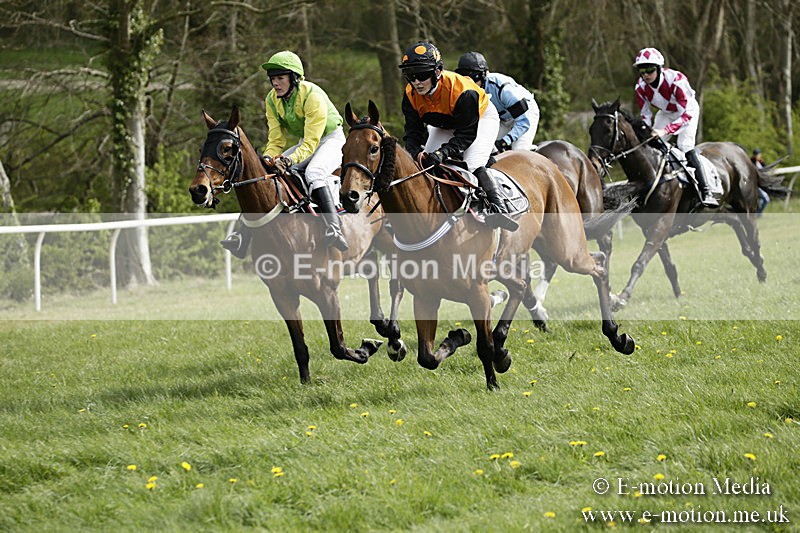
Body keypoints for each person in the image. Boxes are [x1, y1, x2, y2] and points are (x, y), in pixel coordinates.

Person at [221, 50, 348, 258]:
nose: (275, 83)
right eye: (272, 79)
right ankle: (242, 235)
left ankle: (334, 228)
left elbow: (312, 141)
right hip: (306, 142)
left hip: (331, 140)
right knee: (264, 173)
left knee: (314, 173)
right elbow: (276, 139)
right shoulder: (272, 99)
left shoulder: (312, 96)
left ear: (294, 78)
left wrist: (289, 160)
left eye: (280, 78)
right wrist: (269, 157)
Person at [398, 41, 518, 231]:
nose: (416, 82)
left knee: (472, 164)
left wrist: (443, 153)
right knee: (423, 166)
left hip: (480, 118)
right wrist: (415, 153)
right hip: (445, 122)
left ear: (437, 72)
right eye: (410, 76)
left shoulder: (463, 91)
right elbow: (413, 132)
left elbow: (466, 135)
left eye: (421, 75)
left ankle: (499, 208)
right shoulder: (410, 94)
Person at [633, 47, 719, 207]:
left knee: (684, 145)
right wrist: (647, 132)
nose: (646, 75)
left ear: (659, 68)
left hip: (687, 112)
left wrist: (665, 131)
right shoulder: (640, 87)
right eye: (642, 71)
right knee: (651, 145)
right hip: (666, 113)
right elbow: (645, 114)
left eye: (650, 70)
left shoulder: (676, 80)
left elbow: (686, 114)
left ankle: (706, 190)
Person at [455, 51, 539, 153]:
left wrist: (505, 141)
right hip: (503, 119)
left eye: (474, 79)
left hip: (526, 114)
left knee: (518, 150)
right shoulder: (466, 91)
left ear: (483, 75)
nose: (471, 85)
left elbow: (523, 121)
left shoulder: (502, 88)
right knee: (484, 144)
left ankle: (528, 149)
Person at [751, 148, 770, 215]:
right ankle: (758, 214)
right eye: (756, 154)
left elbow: (766, 169)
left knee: (762, 200)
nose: (757, 156)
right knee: (765, 199)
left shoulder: (761, 161)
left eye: (758, 154)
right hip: (754, 184)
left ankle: (758, 213)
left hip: (760, 184)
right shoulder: (751, 161)